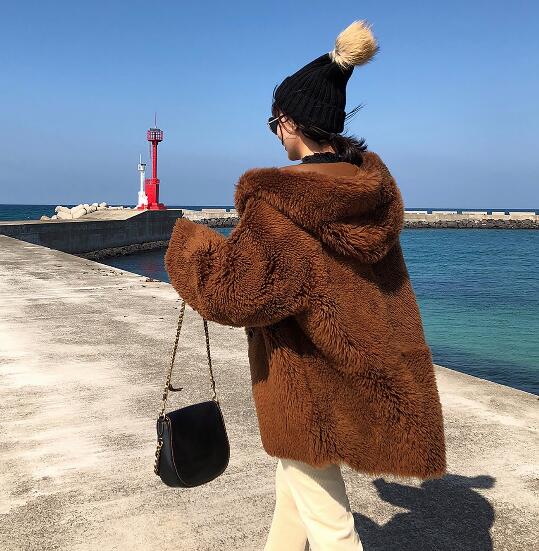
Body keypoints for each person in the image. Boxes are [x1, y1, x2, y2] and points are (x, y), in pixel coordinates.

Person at [164, 19, 447, 551]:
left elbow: (235, 295)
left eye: (274, 121)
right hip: (358, 371)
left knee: (333, 529)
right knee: (293, 498)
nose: (275, 132)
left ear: (291, 122)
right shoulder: (370, 195)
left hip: (307, 389)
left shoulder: (280, 205)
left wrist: (188, 246)